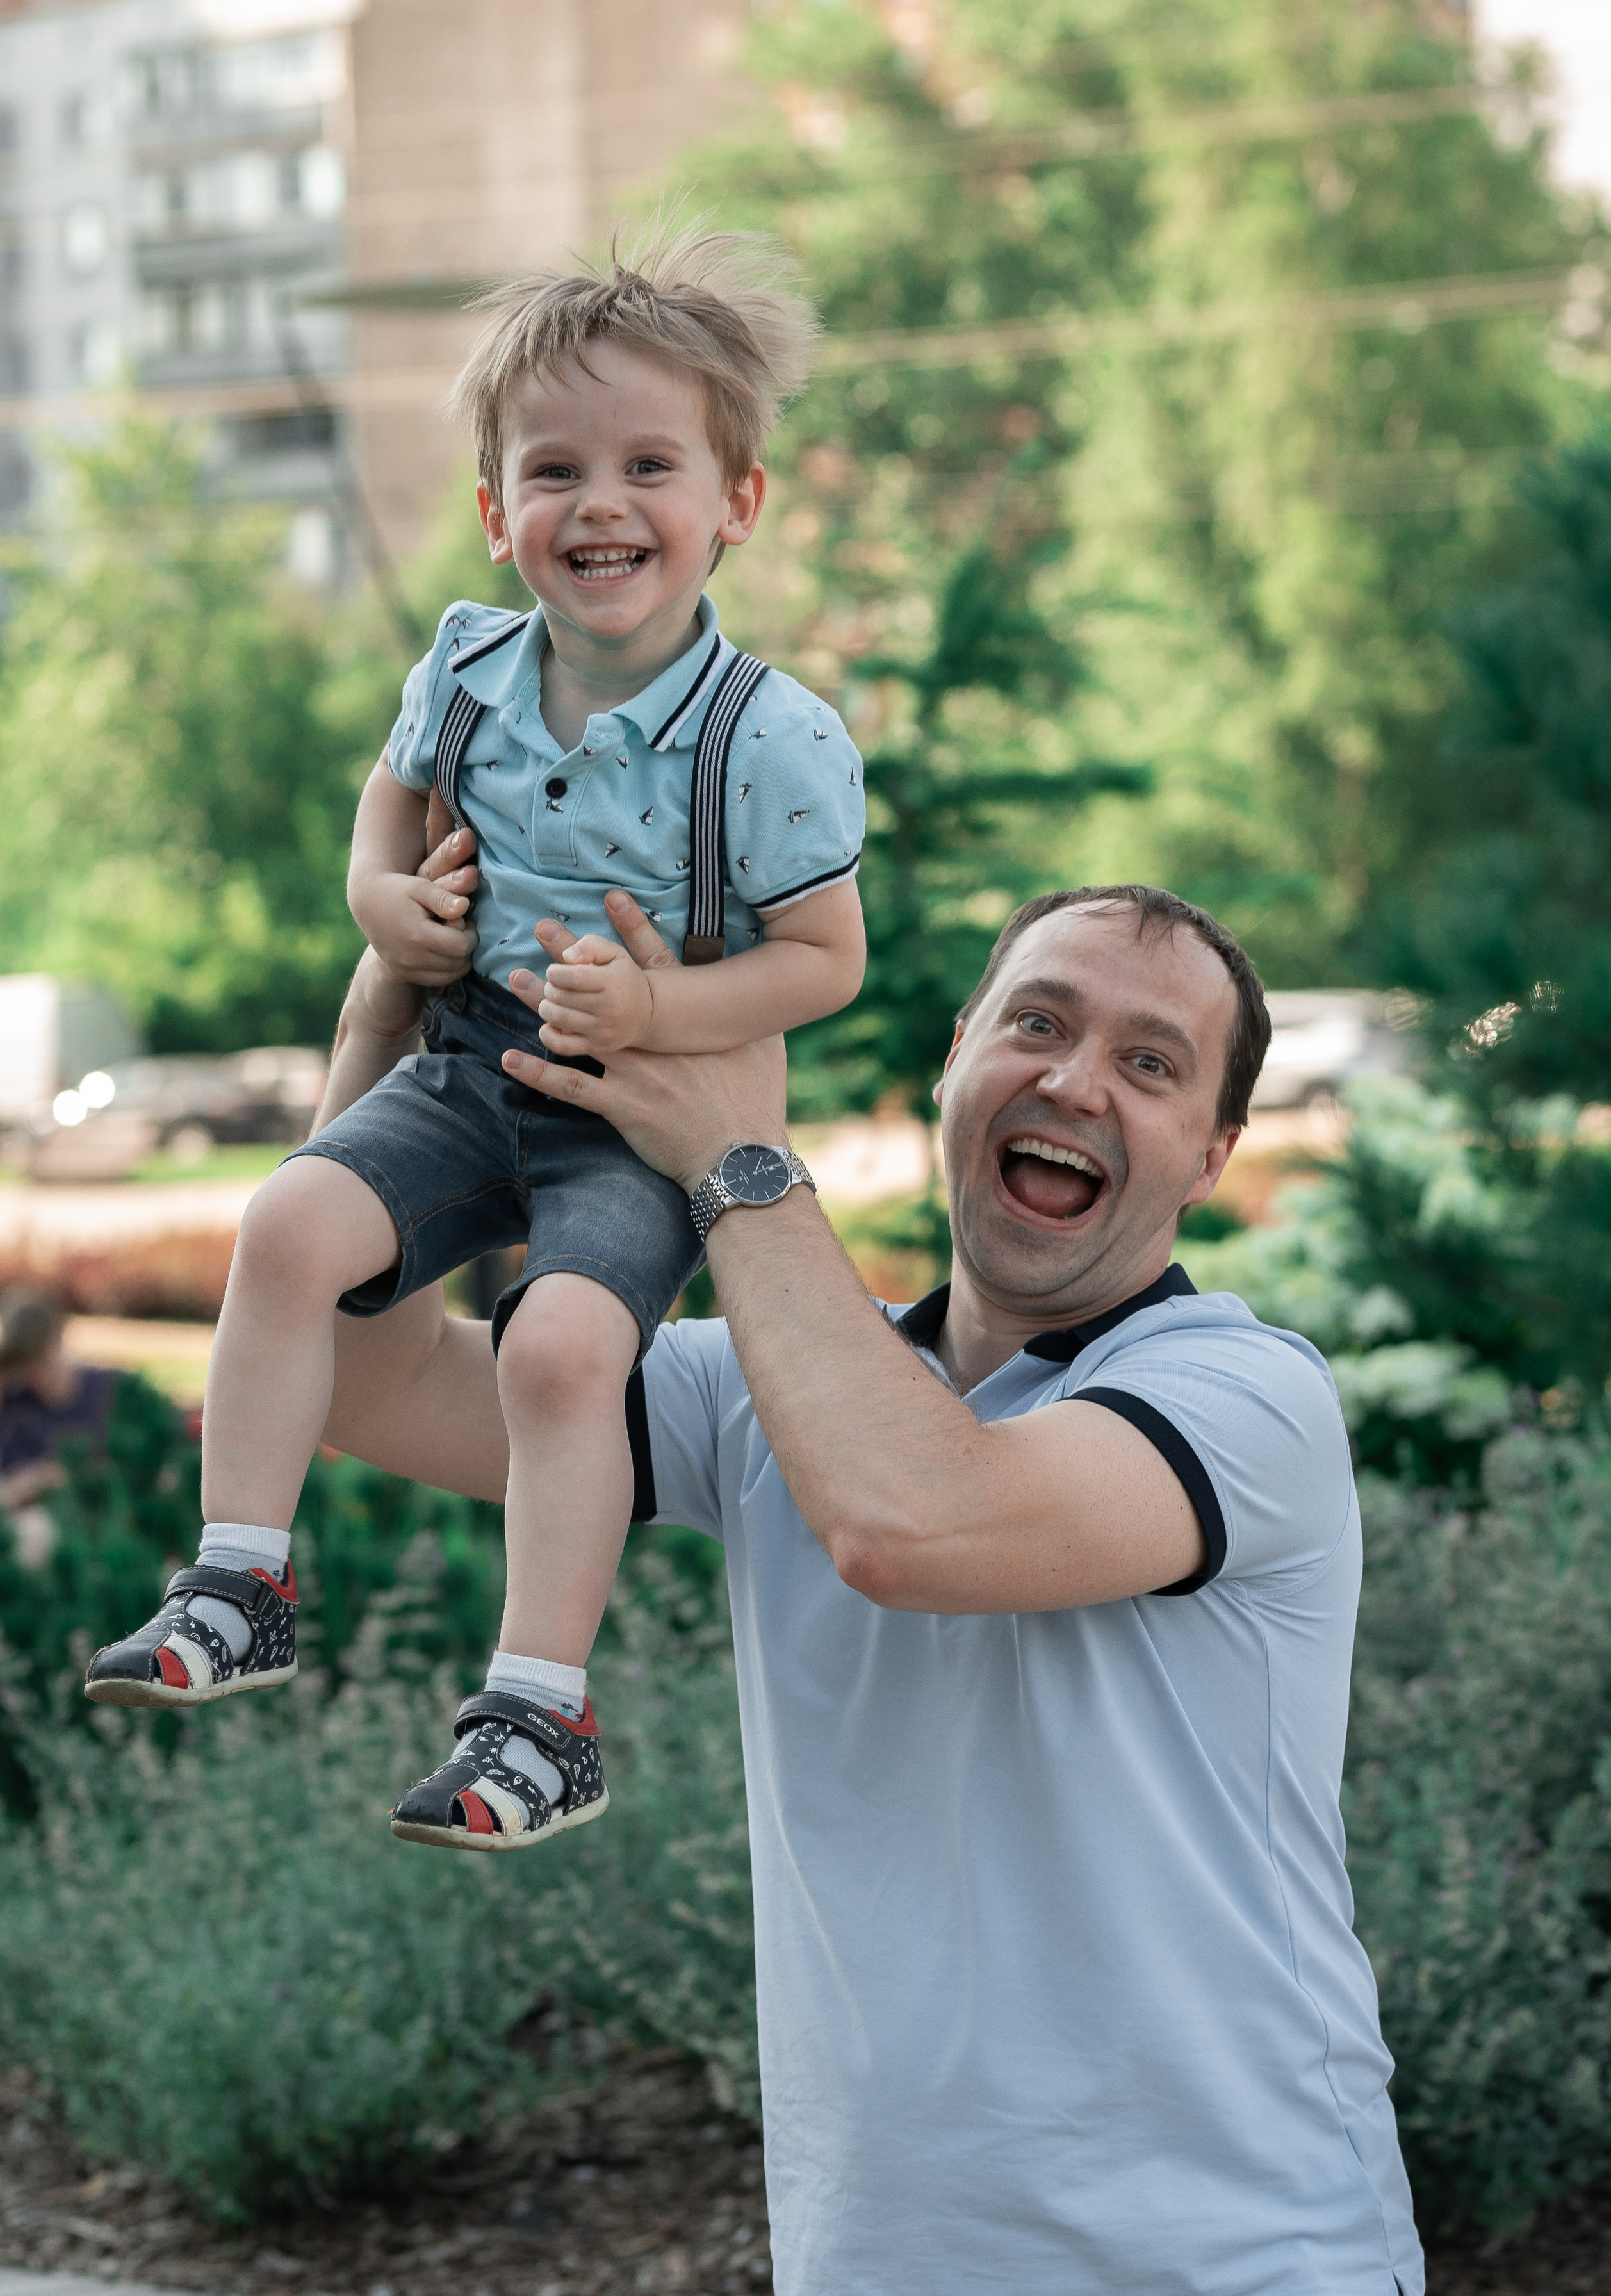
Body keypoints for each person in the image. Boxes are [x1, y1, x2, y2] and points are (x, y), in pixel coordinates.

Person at [305, 880, 1425, 2295]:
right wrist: (387, 1023)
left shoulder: (1245, 1395)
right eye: (1037, 1021)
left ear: (1209, 1156)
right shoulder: (758, 1390)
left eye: (1150, 1064)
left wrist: (736, 1157)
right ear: (955, 1057)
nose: (1074, 1081)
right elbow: (366, 1381)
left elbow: (910, 1524)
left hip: (1232, 2262)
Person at [83, 222, 869, 1859]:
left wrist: (664, 1008)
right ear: (501, 513)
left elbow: (822, 962)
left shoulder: (770, 738)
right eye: (554, 470)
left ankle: (540, 1712)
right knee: (289, 1219)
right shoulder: (464, 666)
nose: (600, 504)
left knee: (561, 1352)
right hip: (464, 1060)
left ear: (734, 505)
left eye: (648, 464)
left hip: (624, 1105)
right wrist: (385, 908)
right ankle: (241, 1574)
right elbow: (383, 828)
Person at [0, 1288, 119, 1566]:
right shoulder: (18, 1406)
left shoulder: (109, 1390)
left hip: (106, 1517)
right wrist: (42, 1476)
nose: (33, 1374)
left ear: (59, 1340)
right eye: (24, 1365)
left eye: (38, 1360)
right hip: (43, 1523)